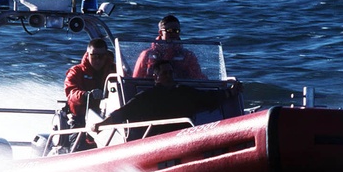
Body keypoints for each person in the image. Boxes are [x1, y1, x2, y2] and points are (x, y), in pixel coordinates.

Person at [92, 59, 241, 137]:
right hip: (158, 139)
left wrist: (231, 92)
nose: (169, 76)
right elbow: (124, 112)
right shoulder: (148, 97)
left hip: (185, 135)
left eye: (170, 73)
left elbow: (209, 98)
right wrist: (101, 124)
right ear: (155, 77)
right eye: (164, 74)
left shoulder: (184, 92)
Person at [132, 15, 205, 79]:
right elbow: (136, 78)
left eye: (176, 31)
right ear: (160, 33)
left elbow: (198, 78)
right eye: (169, 31)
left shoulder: (187, 56)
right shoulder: (147, 55)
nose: (173, 34)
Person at [64, 38, 115, 119]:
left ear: (106, 56)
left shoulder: (115, 71)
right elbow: (71, 93)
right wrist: (86, 95)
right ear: (88, 55)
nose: (97, 60)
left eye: (101, 57)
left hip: (109, 116)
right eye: (94, 57)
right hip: (81, 117)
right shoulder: (76, 71)